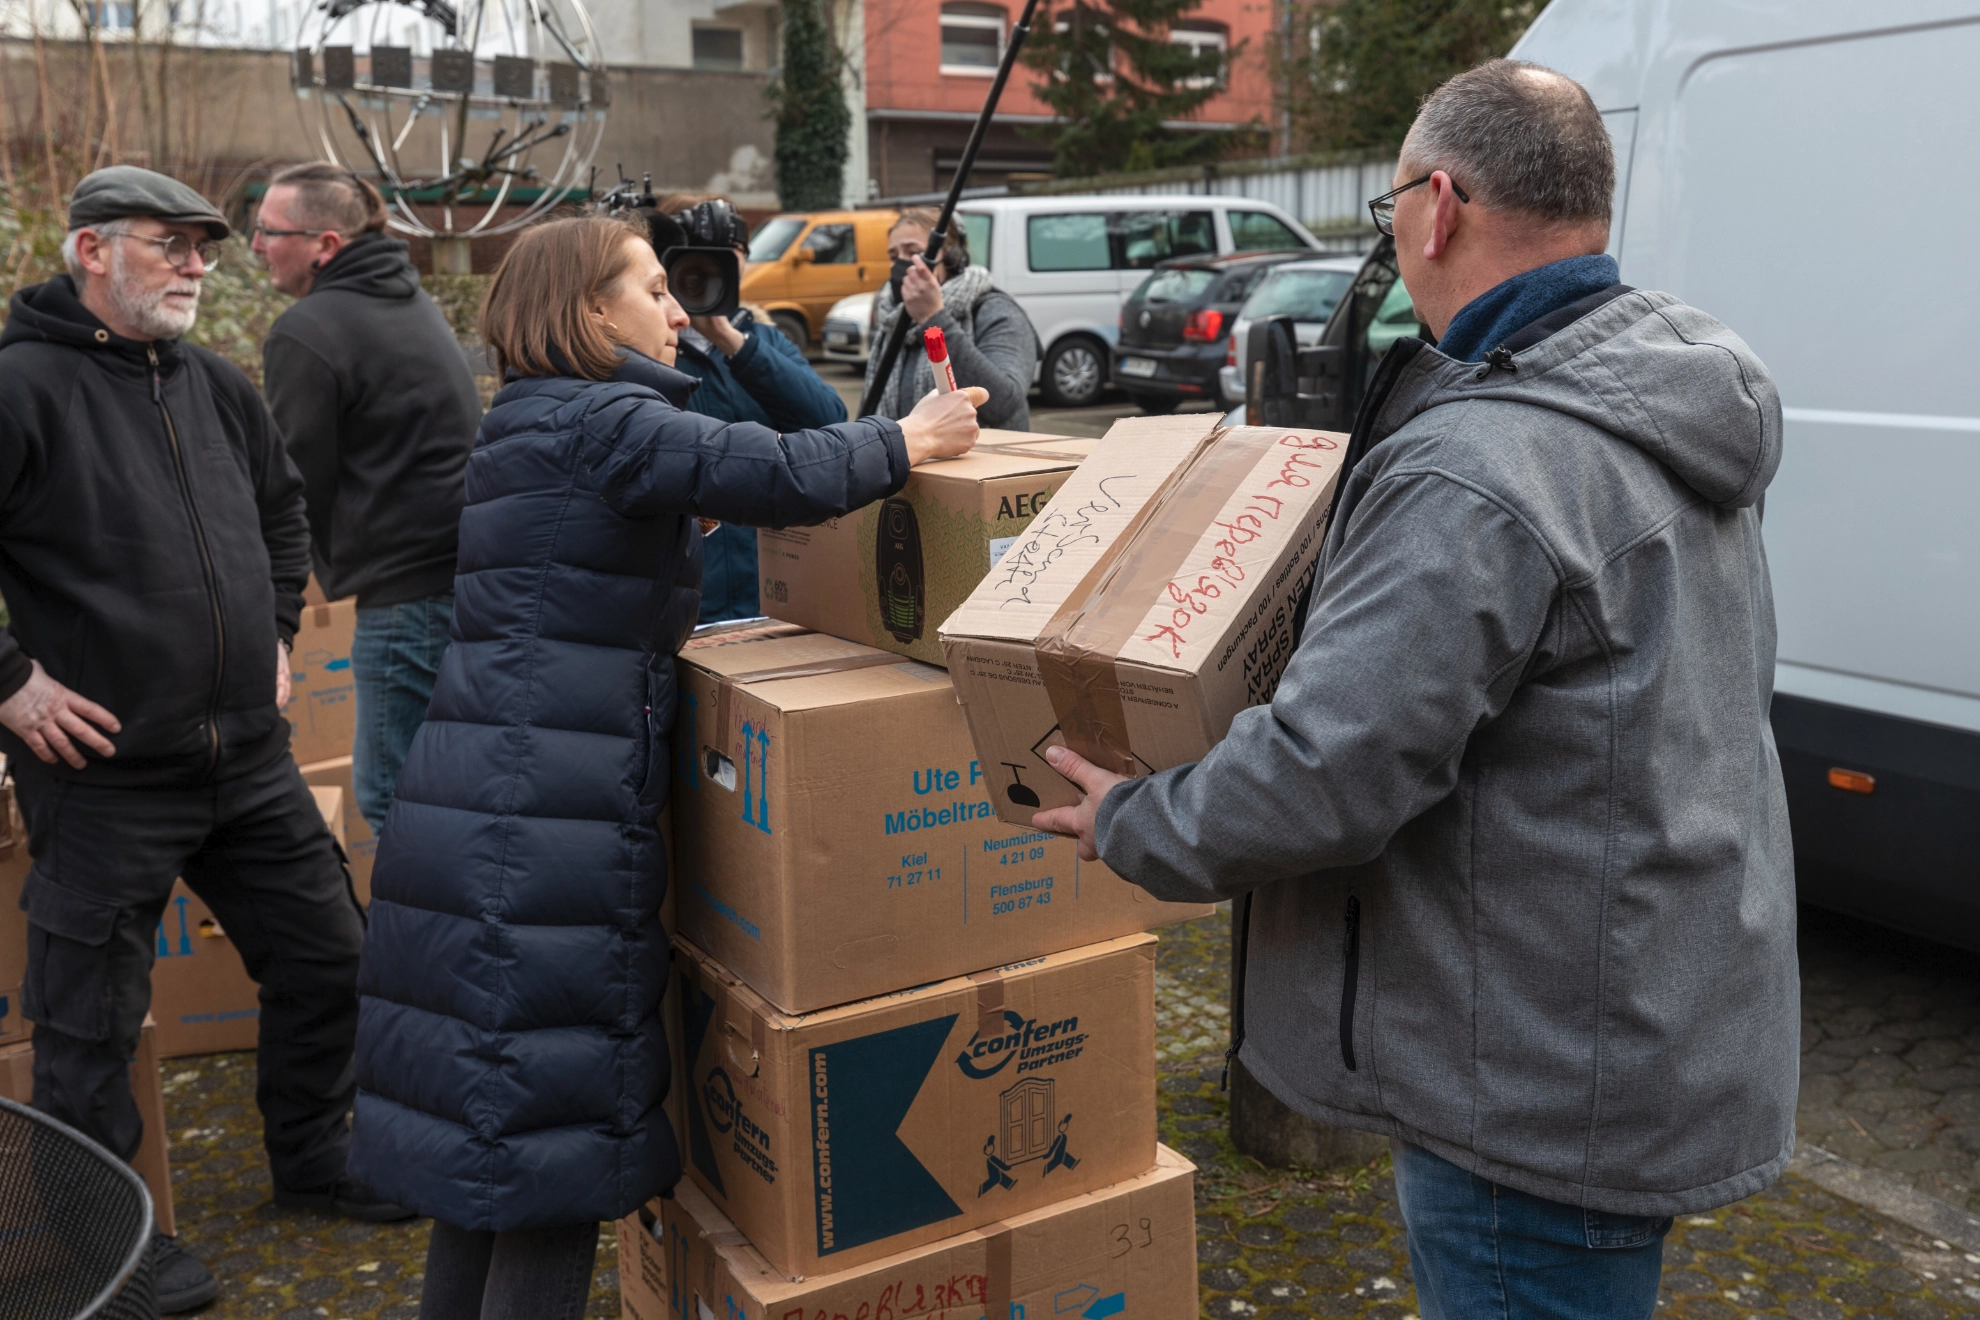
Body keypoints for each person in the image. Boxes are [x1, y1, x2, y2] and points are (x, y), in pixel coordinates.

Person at [1034, 59, 1796, 1320]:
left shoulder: (1483, 466)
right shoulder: (1663, 389)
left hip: (1530, 1082)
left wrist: (1134, 820)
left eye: (1392, 203)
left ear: (1434, 207)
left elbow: (1331, 772)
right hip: (1634, 1021)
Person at [346, 214, 986, 1318]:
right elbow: (779, 471)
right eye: (650, 288)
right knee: (551, 1162)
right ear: (590, 311)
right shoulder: (605, 421)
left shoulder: (531, 418)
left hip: (487, 799)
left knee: (490, 1154)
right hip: (540, 829)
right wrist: (911, 440)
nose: (678, 308)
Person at [0, 165, 410, 1315]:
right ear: (90, 251)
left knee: (330, 954)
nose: (195, 265)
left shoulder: (213, 385)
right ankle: (105, 1255)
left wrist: (279, 629)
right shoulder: (21, 388)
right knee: (87, 1023)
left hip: (247, 758)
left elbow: (287, 511)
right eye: (169, 243)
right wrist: (13, 685)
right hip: (105, 778)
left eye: (205, 248)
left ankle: (315, 1163)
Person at [254, 162, 481, 833]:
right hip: (464, 579)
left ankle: (425, 940)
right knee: (453, 786)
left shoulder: (308, 330)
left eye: (270, 232)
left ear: (325, 245)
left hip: (402, 598)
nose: (259, 246)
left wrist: (274, 612)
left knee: (392, 797)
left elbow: (291, 490)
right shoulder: (408, 302)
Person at [637, 199, 850, 622]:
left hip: (767, 588)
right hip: (683, 596)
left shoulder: (763, 342)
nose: (710, 276)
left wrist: (729, 339)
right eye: (697, 263)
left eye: (729, 263)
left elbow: (830, 421)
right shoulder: (648, 351)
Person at [866, 206, 1038, 430]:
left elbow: (1004, 403)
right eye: (893, 255)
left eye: (912, 251)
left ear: (952, 258)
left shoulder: (996, 311)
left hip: (986, 461)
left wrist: (933, 317)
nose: (901, 263)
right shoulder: (893, 320)